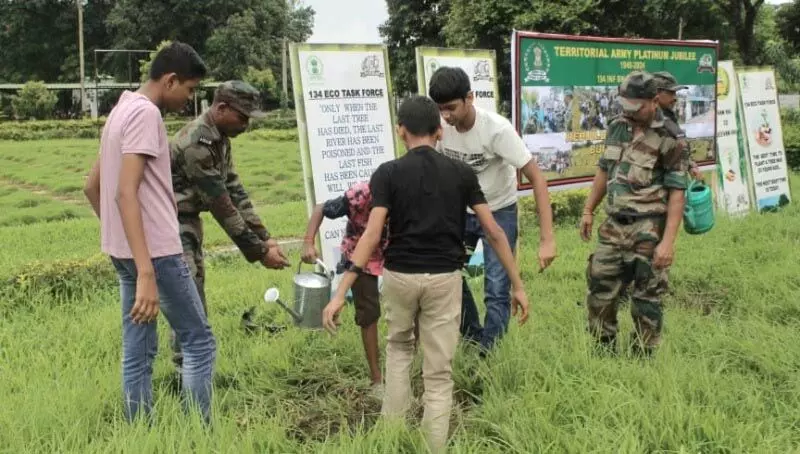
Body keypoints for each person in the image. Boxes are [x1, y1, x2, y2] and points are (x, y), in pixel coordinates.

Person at [320, 95, 531, 453]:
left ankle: (390, 439)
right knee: (438, 373)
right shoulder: (462, 174)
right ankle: (434, 447)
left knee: (399, 351)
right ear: (439, 131)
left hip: (400, 277)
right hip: (445, 279)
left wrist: (342, 291)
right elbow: (494, 231)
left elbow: (371, 235)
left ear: (400, 131)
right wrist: (518, 285)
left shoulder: (387, 173)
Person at [82, 41, 217, 424]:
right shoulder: (145, 115)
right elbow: (126, 191)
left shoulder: (120, 110)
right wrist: (145, 270)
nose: (189, 100)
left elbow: (92, 186)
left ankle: (140, 431)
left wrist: (124, 242)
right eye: (189, 90)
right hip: (156, 253)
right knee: (198, 341)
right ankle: (200, 435)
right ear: (170, 80)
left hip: (128, 252)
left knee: (138, 348)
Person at [427, 66, 555, 354]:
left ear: (470, 98)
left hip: (499, 209)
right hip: (460, 211)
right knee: (447, 273)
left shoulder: (497, 130)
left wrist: (547, 239)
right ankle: (474, 338)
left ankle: (490, 353)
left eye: (451, 108)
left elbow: (537, 178)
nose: (446, 116)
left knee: (497, 287)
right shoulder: (439, 127)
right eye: (440, 109)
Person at [169, 80, 290, 373]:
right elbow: (222, 207)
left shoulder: (220, 138)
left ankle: (190, 367)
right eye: (242, 116)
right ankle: (186, 371)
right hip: (171, 226)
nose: (246, 124)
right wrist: (261, 252)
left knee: (193, 289)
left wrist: (266, 237)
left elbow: (235, 190)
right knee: (189, 298)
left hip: (188, 223)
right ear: (221, 108)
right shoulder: (197, 144)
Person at [579, 71, 690, 358]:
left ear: (653, 101)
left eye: (635, 107)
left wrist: (668, 242)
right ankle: (603, 355)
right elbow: (604, 169)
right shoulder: (617, 126)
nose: (628, 113)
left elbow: (677, 192)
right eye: (624, 105)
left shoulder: (670, 138)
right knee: (599, 289)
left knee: (647, 299)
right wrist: (588, 209)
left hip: (648, 230)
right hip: (613, 227)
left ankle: (642, 361)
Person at [300, 181, 388, 396]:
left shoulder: (408, 194)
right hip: (359, 256)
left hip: (396, 254)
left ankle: (404, 369)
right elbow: (321, 208)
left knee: (408, 309)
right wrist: (308, 241)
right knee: (368, 313)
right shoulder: (360, 195)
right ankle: (377, 379)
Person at [653, 71, 702, 180]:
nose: (675, 98)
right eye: (671, 92)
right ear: (656, 93)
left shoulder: (668, 117)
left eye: (675, 93)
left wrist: (690, 165)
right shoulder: (651, 121)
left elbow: (676, 151)